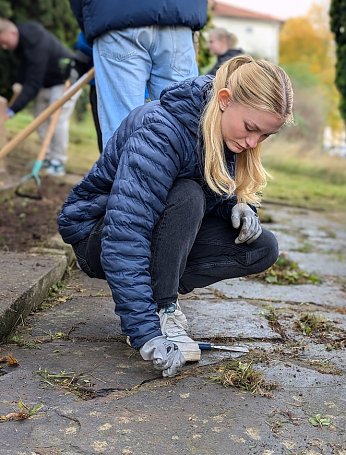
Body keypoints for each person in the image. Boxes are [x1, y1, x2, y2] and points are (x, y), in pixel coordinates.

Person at [58, 56, 293, 378]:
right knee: (187, 195)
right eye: (251, 128)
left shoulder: (227, 135)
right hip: (99, 239)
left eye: (265, 136)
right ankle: (162, 308)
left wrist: (239, 207)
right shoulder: (160, 130)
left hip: (154, 231)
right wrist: (145, 332)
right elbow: (126, 233)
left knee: (261, 247)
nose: (253, 143)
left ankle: (156, 295)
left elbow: (211, 192)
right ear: (224, 100)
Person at [70, 0, 208, 147]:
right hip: (179, 16)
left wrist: (92, 24)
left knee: (121, 128)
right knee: (182, 127)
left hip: (115, 16)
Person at [0, 18, 82, 176]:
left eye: (3, 42)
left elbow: (33, 83)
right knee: (39, 118)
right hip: (47, 82)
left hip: (65, 81)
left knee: (57, 121)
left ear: (11, 32)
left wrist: (12, 111)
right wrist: (19, 82)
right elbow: (26, 69)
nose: (3, 47)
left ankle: (58, 161)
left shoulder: (36, 42)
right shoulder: (22, 43)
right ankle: (47, 157)